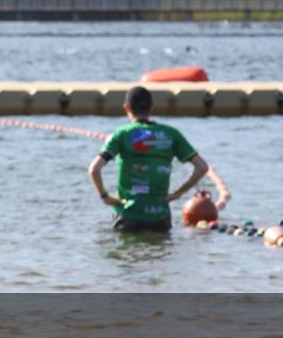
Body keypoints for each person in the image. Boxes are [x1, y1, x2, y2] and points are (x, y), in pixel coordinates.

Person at [88, 86, 208, 232]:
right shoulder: (171, 134)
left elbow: (94, 169)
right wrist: (178, 193)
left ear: (126, 108)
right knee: (157, 252)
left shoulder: (121, 134)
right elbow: (202, 167)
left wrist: (105, 196)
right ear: (151, 108)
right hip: (159, 217)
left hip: (128, 215)